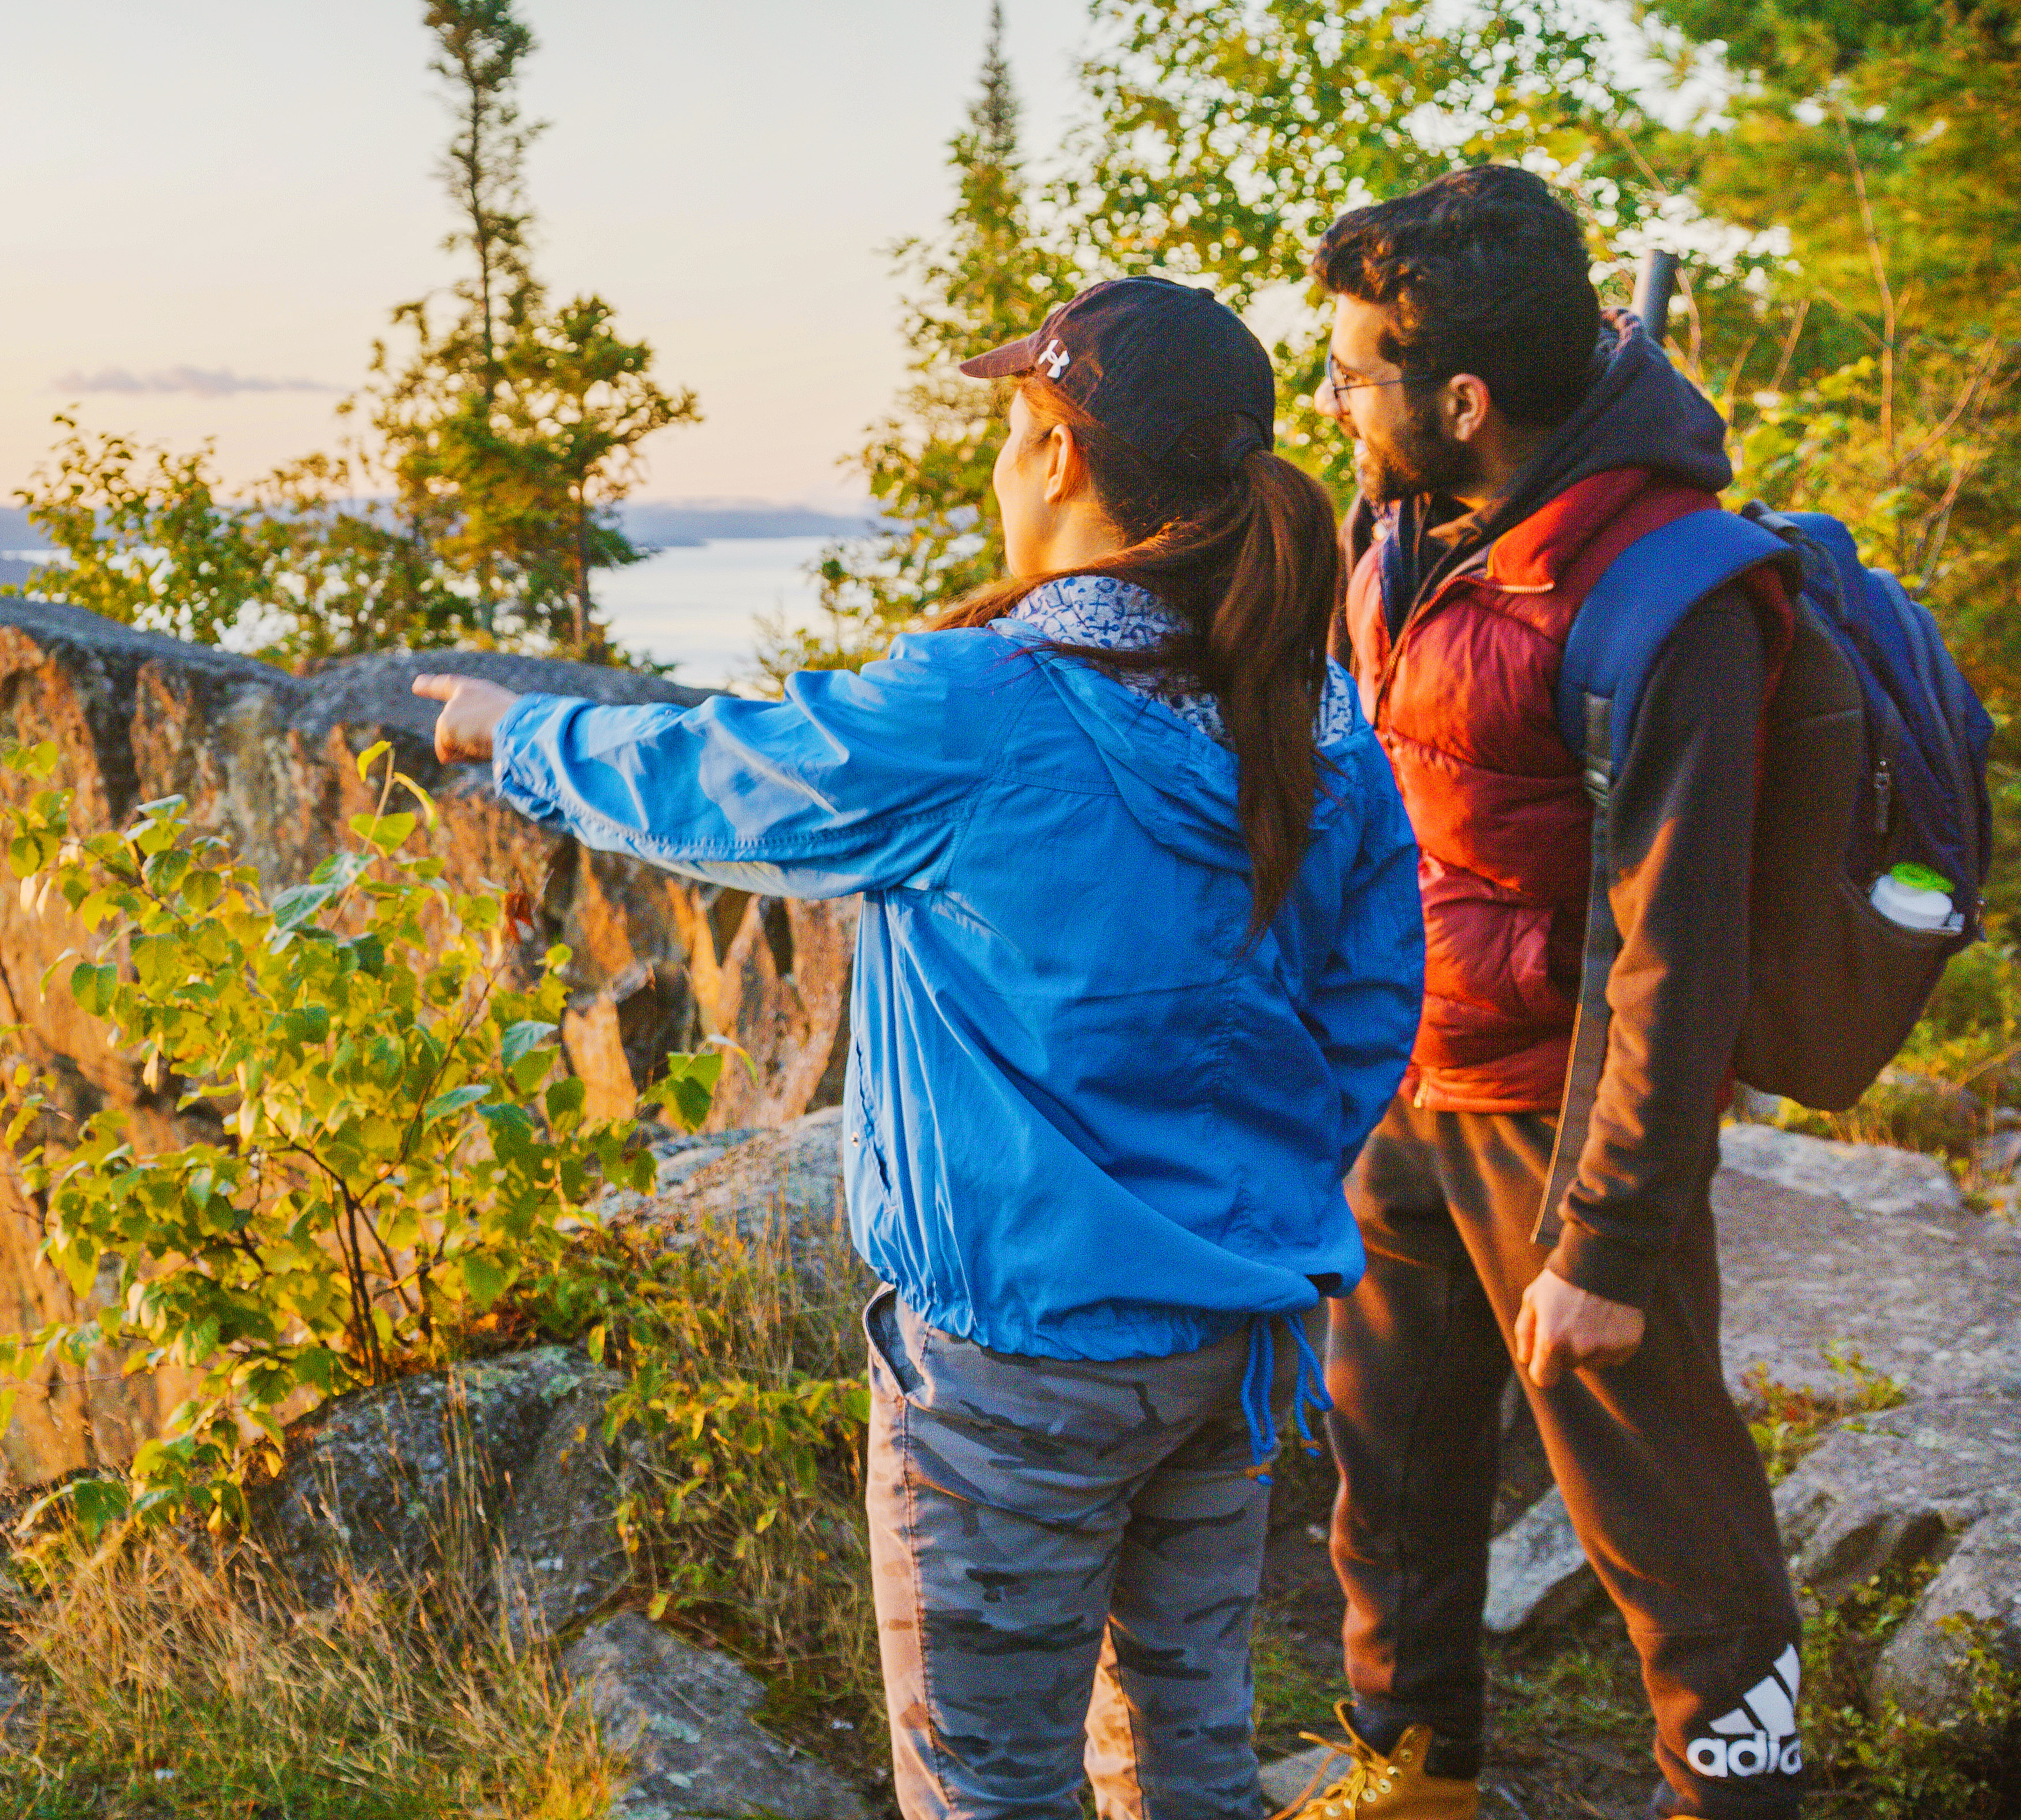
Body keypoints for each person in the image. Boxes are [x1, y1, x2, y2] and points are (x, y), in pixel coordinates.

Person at [415, 276, 1425, 1820]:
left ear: (1058, 456)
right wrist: (1257, 1190)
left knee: (993, 1787)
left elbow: (726, 780)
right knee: (1187, 1753)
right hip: (1231, 1341)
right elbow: (1369, 1010)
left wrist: (518, 730)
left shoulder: (988, 707)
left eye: (1016, 433)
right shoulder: (1312, 709)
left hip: (1015, 1363)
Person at [1275, 166, 1806, 1820]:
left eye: (1357, 369)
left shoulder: (1672, 596)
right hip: (1407, 1077)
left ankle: (1735, 1789)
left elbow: (1677, 943)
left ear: (1469, 397)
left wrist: (1612, 1236)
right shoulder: (1405, 515)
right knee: (1392, 1462)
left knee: (1660, 1505)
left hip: (1561, 1112)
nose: (1336, 395)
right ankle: (1413, 1770)